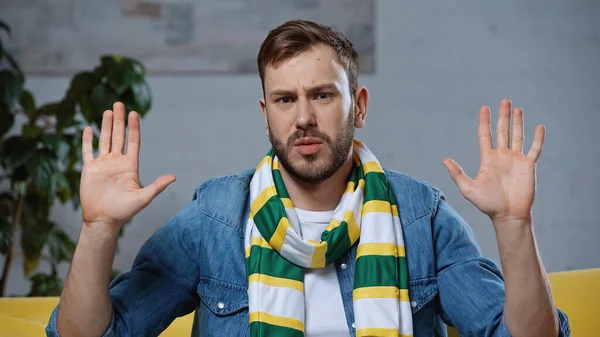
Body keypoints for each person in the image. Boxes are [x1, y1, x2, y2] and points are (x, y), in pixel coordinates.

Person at [46, 20, 569, 337]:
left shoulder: (421, 218)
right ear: (265, 111)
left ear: (358, 106)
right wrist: (96, 231)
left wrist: (513, 223)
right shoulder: (214, 220)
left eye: (322, 95)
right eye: (284, 99)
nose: (303, 119)